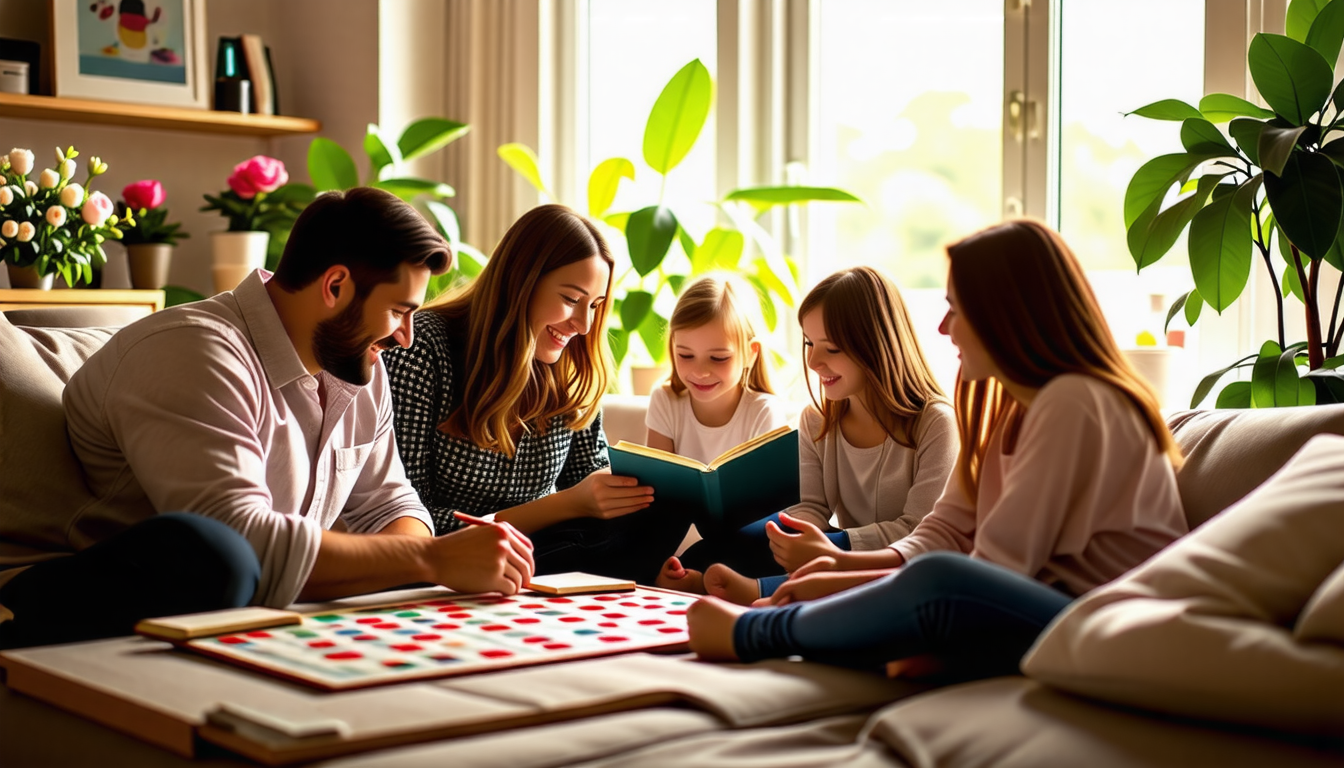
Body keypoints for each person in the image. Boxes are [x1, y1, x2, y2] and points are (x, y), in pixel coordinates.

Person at [0, 187, 535, 650]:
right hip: (122, 580)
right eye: (399, 310)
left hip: (253, 590)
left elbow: (391, 502)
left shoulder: (356, 363)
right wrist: (431, 561)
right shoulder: (193, 350)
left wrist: (424, 553)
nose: (405, 336)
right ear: (335, 287)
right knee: (219, 553)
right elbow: (242, 540)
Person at [687, 219, 1189, 680]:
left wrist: (848, 580)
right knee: (916, 572)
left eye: (956, 309)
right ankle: (878, 640)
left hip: (1103, 619)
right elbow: (946, 530)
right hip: (1040, 607)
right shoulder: (1017, 408)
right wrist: (843, 566)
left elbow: (991, 570)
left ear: (1005, 315)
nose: (944, 328)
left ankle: (758, 633)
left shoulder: (1076, 400)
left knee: (940, 578)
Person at [384, 203, 686, 583]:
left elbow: (588, 477)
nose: (583, 323)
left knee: (663, 514)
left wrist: (620, 493)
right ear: (521, 281)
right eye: (572, 299)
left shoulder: (574, 365)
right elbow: (407, 520)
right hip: (448, 552)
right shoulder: (422, 348)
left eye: (595, 305)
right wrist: (565, 504)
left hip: (546, 549)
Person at [661, 266, 957, 596]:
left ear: (877, 346)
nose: (814, 362)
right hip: (840, 549)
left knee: (857, 567)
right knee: (725, 545)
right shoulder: (817, 419)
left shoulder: (936, 423)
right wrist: (791, 535)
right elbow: (812, 506)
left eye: (831, 349)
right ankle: (700, 574)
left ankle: (759, 591)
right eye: (809, 343)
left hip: (904, 563)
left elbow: (919, 532)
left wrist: (836, 544)